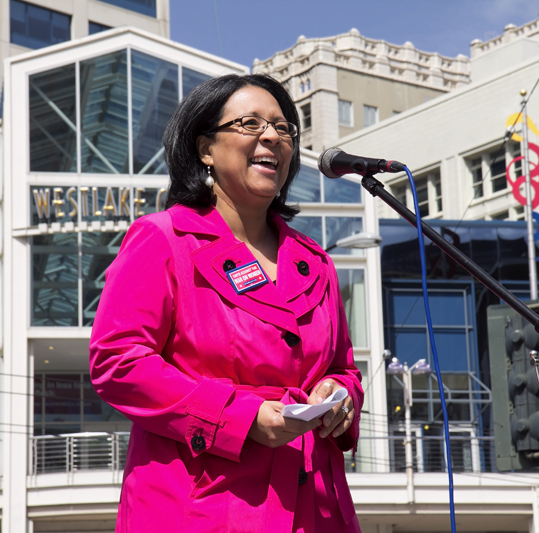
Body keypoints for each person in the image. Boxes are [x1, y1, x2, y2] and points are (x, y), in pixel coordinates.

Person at [89, 73, 364, 533]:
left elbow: (343, 369)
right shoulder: (163, 239)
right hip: (204, 507)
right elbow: (118, 361)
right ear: (205, 149)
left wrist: (338, 396)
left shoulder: (315, 261)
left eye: (283, 128)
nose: (273, 136)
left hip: (315, 507)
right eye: (250, 124)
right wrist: (241, 417)